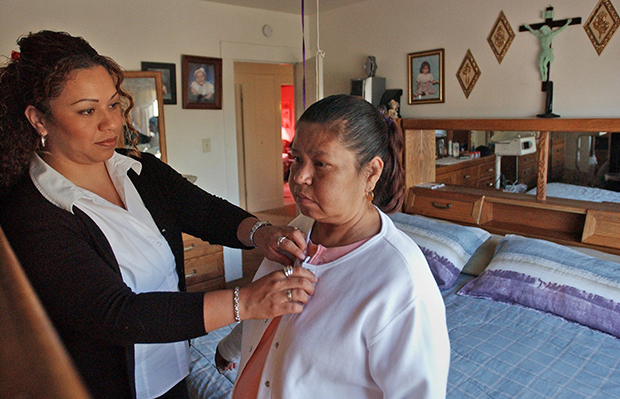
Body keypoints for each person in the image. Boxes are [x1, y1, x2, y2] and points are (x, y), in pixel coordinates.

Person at [0, 30, 317, 399]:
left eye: (114, 105)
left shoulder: (139, 169)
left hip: (171, 362)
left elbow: (205, 210)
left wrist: (261, 233)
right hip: (107, 385)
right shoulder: (32, 212)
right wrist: (244, 302)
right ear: (38, 119)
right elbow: (118, 313)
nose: (111, 124)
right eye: (87, 111)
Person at [217, 94, 451, 398]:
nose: (299, 176)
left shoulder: (402, 284)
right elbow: (271, 310)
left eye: (321, 164)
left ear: (371, 173)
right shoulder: (297, 231)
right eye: (297, 158)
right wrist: (230, 348)